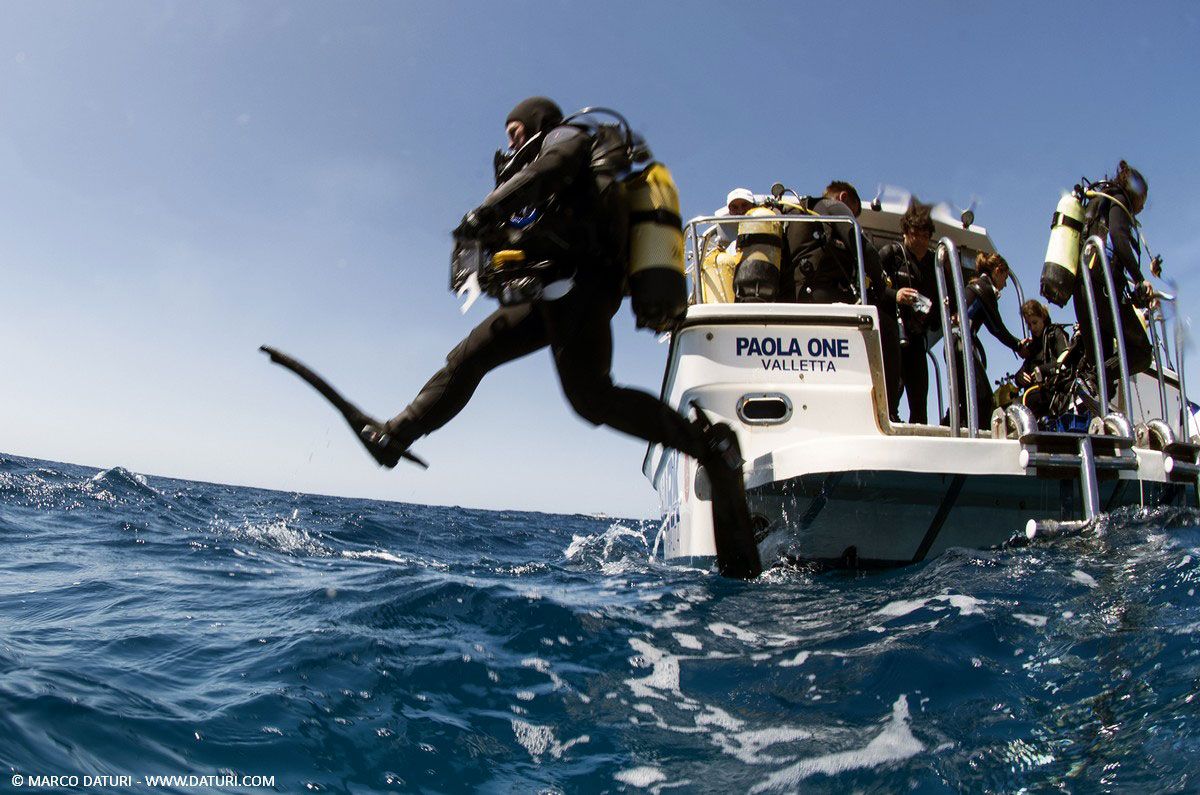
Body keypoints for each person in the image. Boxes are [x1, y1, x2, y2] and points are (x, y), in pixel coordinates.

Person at [308, 96, 758, 576]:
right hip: (551, 291)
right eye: (509, 134)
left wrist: (484, 213)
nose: (512, 139)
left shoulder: (566, 137)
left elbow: (554, 167)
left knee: (588, 396)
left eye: (517, 129)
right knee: (478, 359)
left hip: (582, 286)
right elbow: (525, 233)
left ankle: (709, 447)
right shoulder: (530, 177)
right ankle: (395, 436)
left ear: (539, 121)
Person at [785, 181, 901, 418]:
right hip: (824, 297)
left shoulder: (799, 213)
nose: (853, 217)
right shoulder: (832, 206)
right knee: (887, 328)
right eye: (855, 212)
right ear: (845, 198)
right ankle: (889, 410)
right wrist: (881, 286)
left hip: (798, 299)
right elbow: (864, 249)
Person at [1071, 160, 1154, 385]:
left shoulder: (1101, 204)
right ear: (1135, 192)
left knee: (1104, 373)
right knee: (1142, 352)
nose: (1143, 206)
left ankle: (1087, 383)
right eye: (1143, 199)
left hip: (1083, 289)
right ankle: (1089, 377)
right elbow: (1119, 239)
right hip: (1102, 289)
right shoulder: (1119, 202)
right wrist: (1140, 280)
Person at [879, 199, 939, 424]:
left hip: (917, 337)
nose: (921, 240)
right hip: (893, 336)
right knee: (891, 396)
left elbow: (944, 299)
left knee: (919, 399)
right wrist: (896, 295)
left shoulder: (934, 263)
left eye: (926, 235)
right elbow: (870, 287)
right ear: (905, 232)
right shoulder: (891, 254)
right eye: (916, 234)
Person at [950, 252, 1022, 429]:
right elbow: (997, 328)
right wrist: (1018, 345)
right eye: (1005, 278)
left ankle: (961, 426)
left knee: (967, 397)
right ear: (997, 271)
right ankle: (976, 433)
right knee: (982, 400)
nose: (1005, 284)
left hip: (956, 344)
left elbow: (991, 325)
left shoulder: (976, 287)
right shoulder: (983, 288)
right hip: (961, 344)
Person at [1015, 299, 1070, 417]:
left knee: (1030, 402)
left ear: (1043, 317)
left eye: (1034, 322)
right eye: (1029, 325)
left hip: (1056, 391)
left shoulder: (1055, 333)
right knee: (1014, 408)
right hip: (1036, 393)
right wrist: (1019, 377)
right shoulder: (1033, 346)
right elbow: (1025, 368)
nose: (1032, 328)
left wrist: (1042, 370)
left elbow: (1066, 360)